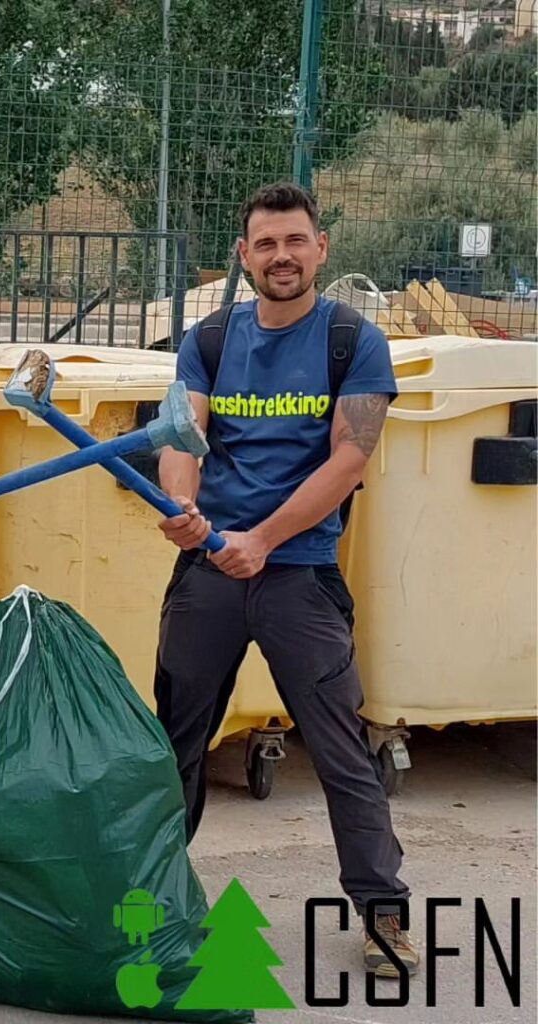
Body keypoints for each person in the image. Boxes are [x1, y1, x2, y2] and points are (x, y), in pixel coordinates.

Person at [155, 182, 418, 978]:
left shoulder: (353, 342)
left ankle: (384, 915)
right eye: (265, 244)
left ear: (321, 248)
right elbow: (181, 434)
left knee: (341, 749)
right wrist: (182, 508)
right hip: (209, 573)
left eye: (294, 241)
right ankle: (153, 903)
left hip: (298, 574)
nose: (281, 257)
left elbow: (350, 458)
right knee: (174, 744)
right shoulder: (205, 340)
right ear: (244, 256)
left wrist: (263, 539)